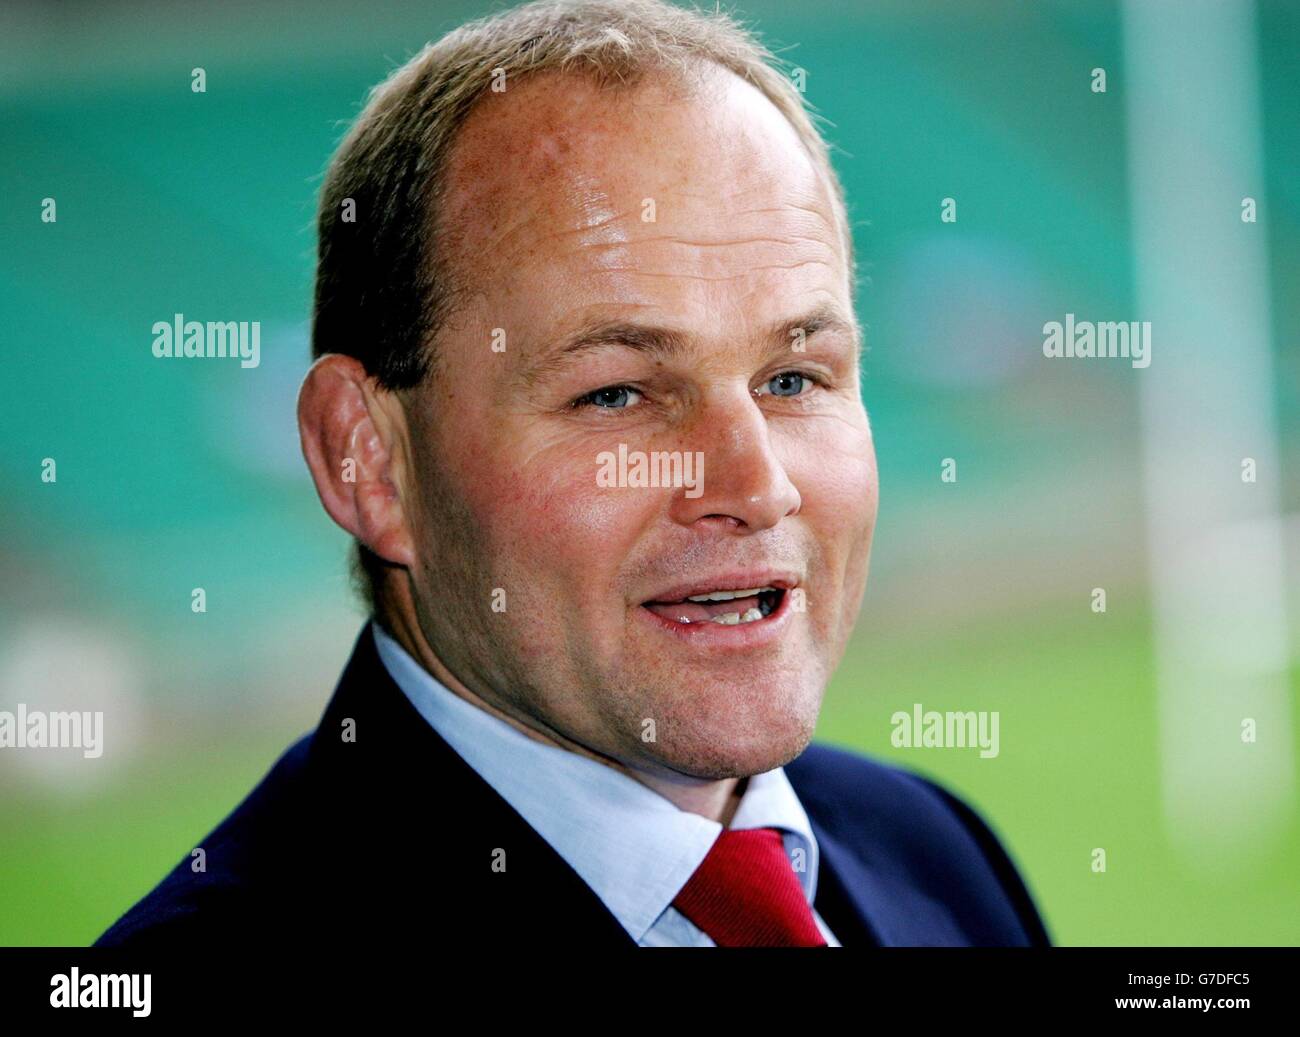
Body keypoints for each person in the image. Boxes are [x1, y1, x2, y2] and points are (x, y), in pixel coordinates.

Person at [97, 0, 1050, 948]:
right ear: (371, 462)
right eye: (618, 394)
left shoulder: (941, 859)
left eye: (794, 377)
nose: (756, 486)